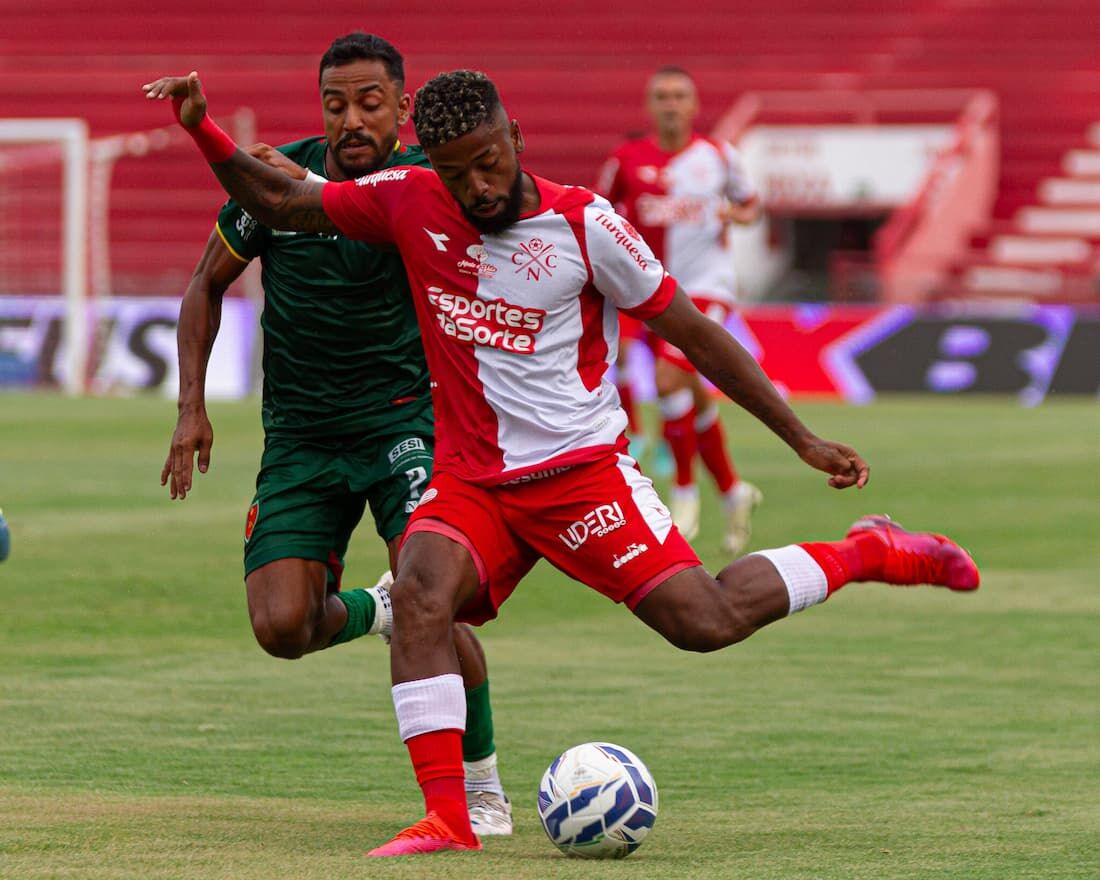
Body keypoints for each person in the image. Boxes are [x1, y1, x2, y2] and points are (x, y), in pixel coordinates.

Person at [144, 67, 981, 859]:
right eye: (456, 173)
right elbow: (285, 200)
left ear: (514, 134)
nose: (477, 188)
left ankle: (865, 550)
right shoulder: (407, 199)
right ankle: (448, 816)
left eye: (489, 163)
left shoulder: (586, 225)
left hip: (582, 475)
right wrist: (205, 132)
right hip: (472, 480)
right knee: (422, 593)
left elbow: (695, 334)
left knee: (707, 623)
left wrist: (800, 437)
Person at [156, 35, 512, 836]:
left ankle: (481, 786)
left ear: (402, 107)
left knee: (437, 602)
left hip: (403, 425)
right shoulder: (272, 181)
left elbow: (436, 242)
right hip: (301, 438)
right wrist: (191, 406)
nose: (352, 119)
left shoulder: (428, 183)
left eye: (369, 103)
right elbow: (204, 285)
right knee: (283, 628)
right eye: (336, 104)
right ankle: (377, 611)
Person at [596, 66, 763, 552]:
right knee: (691, 388)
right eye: (662, 96)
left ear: (693, 105)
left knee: (669, 380)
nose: (671, 104)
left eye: (679, 96)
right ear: (650, 105)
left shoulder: (717, 157)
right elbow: (596, 211)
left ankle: (684, 492)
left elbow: (751, 205)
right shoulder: (625, 158)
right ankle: (733, 492)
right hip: (648, 289)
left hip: (706, 289)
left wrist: (736, 214)